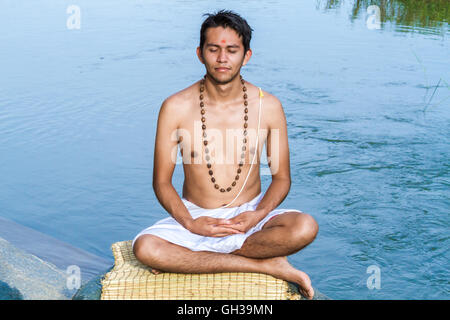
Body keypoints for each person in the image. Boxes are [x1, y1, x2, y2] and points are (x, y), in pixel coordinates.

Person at [132, 9, 319, 299]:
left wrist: (257, 215)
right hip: (196, 218)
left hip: (250, 217)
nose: (222, 59)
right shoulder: (175, 106)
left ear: (246, 56)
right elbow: (162, 182)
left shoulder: (268, 106)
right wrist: (191, 223)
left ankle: (195, 260)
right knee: (145, 248)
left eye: (232, 50)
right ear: (200, 53)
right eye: (214, 49)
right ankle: (268, 266)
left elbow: (281, 178)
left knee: (304, 227)